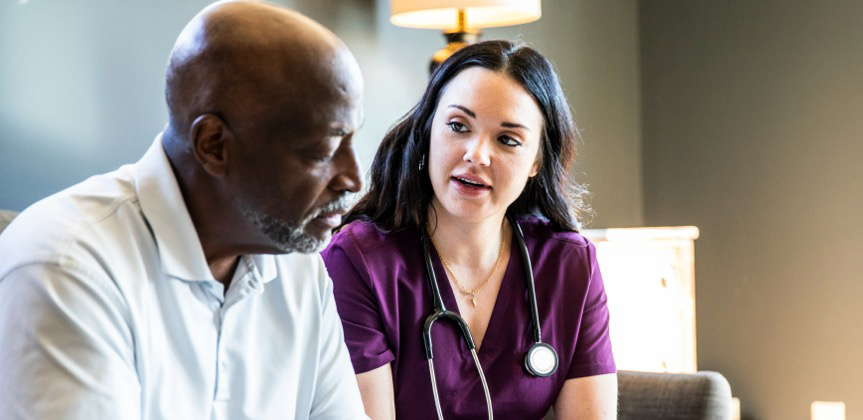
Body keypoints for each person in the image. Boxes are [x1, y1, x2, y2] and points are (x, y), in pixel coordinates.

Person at [0, 1, 368, 419]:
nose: (353, 179)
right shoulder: (65, 266)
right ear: (213, 145)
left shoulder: (300, 269)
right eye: (323, 151)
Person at [322, 40, 618, 419]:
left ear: (536, 162)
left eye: (507, 139)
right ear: (428, 130)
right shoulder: (359, 262)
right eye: (458, 126)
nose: (476, 154)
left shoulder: (570, 265)